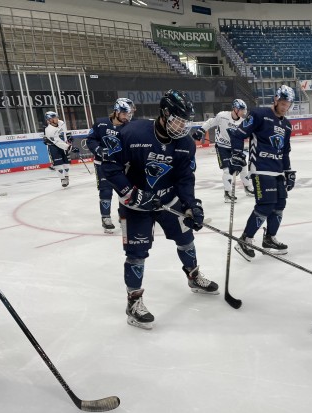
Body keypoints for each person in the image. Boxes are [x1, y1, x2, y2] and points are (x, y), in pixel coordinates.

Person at [101, 90, 219, 330]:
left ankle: (193, 276)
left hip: (168, 200)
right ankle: (134, 302)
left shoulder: (185, 144)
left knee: (186, 238)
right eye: (178, 119)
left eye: (186, 121)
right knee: (137, 254)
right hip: (135, 204)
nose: (182, 126)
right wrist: (130, 193)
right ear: (164, 114)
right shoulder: (132, 133)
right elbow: (109, 167)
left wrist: (192, 204)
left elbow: (185, 178)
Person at [228, 85, 295, 261]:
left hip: (278, 171)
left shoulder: (287, 125)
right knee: (265, 205)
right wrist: (236, 154)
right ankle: (245, 240)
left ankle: (269, 238)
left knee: (280, 205)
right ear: (275, 99)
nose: (284, 107)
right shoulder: (259, 114)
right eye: (282, 102)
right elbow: (237, 134)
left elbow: (285, 151)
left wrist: (288, 171)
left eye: (287, 104)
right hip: (260, 167)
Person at [86, 98, 134, 233]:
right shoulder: (101, 124)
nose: (126, 117)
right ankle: (105, 217)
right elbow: (90, 140)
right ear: (117, 111)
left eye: (128, 114)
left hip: (120, 166)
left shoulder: (128, 127)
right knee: (105, 190)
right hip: (102, 164)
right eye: (124, 113)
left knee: (123, 190)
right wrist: (98, 150)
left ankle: (122, 215)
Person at [200, 98, 255, 202]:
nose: (244, 112)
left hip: (236, 148)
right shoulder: (222, 116)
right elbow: (211, 122)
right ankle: (228, 193)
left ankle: (248, 187)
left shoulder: (243, 121)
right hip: (222, 147)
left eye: (244, 110)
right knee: (227, 170)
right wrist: (201, 130)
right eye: (242, 110)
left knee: (243, 167)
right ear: (235, 109)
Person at [44, 111, 78, 187]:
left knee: (66, 163)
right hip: (54, 146)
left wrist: (69, 137)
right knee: (58, 164)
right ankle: (62, 179)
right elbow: (58, 142)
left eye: (56, 117)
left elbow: (65, 132)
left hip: (63, 144)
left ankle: (66, 176)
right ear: (49, 120)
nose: (57, 119)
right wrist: (69, 147)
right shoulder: (49, 130)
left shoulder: (61, 122)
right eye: (54, 118)